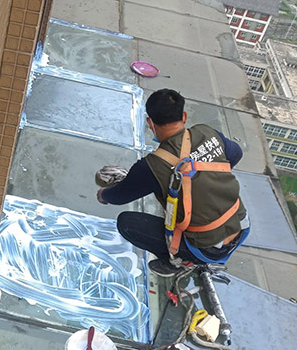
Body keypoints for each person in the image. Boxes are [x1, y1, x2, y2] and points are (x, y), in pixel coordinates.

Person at [97, 89, 249, 277]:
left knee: (127, 224)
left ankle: (177, 262)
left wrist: (103, 194)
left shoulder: (151, 166)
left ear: (150, 123)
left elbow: (118, 197)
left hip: (209, 249)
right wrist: (205, 177)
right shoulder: (207, 133)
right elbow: (236, 154)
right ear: (184, 116)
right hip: (242, 224)